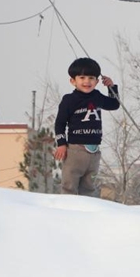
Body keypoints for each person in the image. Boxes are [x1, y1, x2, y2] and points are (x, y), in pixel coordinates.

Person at [53, 57, 120, 196]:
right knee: (69, 185)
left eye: (91, 78)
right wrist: (61, 144)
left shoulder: (97, 96)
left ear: (96, 81)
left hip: (94, 152)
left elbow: (114, 104)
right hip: (75, 151)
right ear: (73, 81)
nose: (87, 81)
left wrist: (111, 87)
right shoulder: (69, 100)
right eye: (82, 77)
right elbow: (60, 123)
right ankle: (67, 212)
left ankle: (87, 214)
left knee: (89, 188)